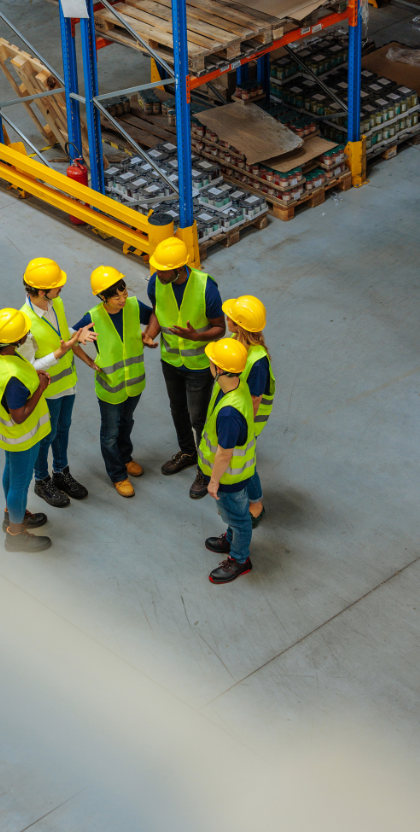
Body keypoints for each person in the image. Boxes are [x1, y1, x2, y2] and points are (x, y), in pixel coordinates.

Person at [143, 236, 225, 499]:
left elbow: (219, 328)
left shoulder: (206, 288)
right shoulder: (157, 282)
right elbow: (157, 312)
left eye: (162, 269)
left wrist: (196, 337)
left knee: (198, 418)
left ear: (179, 268)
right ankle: (188, 453)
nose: (156, 272)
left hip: (199, 366)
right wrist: (150, 334)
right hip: (170, 361)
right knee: (177, 410)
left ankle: (206, 467)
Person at [19, 257, 97, 510]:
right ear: (41, 291)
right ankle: (41, 480)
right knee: (46, 436)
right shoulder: (25, 323)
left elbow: (63, 337)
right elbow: (29, 366)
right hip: (48, 390)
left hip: (68, 381)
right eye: (56, 285)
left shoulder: (57, 303)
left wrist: (78, 337)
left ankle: (61, 472)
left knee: (64, 428)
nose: (61, 288)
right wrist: (59, 354)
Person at [71, 266, 152, 498]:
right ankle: (118, 475)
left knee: (127, 423)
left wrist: (149, 335)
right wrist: (87, 360)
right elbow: (70, 338)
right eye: (116, 296)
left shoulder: (134, 306)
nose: (122, 298)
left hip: (134, 383)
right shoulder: (93, 317)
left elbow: (153, 316)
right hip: (110, 386)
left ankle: (126, 459)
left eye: (124, 292)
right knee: (110, 432)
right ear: (103, 297)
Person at [0, 308, 52, 553]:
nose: (27, 335)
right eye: (25, 332)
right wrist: (40, 387)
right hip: (22, 437)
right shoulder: (12, 377)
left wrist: (32, 377)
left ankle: (11, 517)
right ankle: (16, 535)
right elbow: (19, 415)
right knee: (20, 485)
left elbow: (15, 379)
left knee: (10, 471)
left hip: (6, 434)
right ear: (17, 339)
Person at [198, 338, 260, 585]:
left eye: (212, 361)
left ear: (220, 369)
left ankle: (240, 559)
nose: (209, 363)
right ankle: (232, 539)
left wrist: (213, 482)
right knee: (237, 513)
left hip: (228, 478)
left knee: (238, 518)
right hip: (237, 474)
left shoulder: (229, 412)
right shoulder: (238, 385)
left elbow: (225, 453)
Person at [221, 295, 275, 527]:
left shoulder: (258, 360)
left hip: (245, 422)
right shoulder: (236, 340)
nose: (226, 318)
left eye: (230, 317)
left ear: (240, 325)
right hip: (234, 415)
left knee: (246, 464)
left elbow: (254, 399)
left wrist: (242, 430)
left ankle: (256, 503)